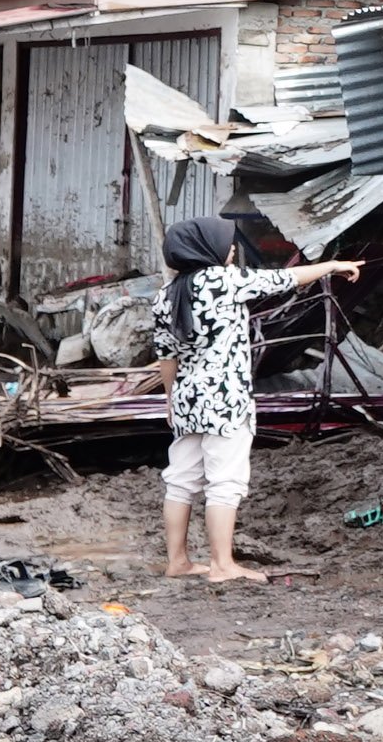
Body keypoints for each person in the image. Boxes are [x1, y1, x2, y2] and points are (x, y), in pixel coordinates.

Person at [150, 215, 359, 583]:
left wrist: (171, 401)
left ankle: (178, 561)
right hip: (226, 400)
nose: (232, 249)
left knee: (181, 481)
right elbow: (284, 279)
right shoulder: (224, 281)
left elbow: (166, 357)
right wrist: (333, 266)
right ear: (204, 249)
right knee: (224, 482)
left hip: (187, 398)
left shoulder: (165, 296)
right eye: (225, 243)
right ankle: (222, 565)